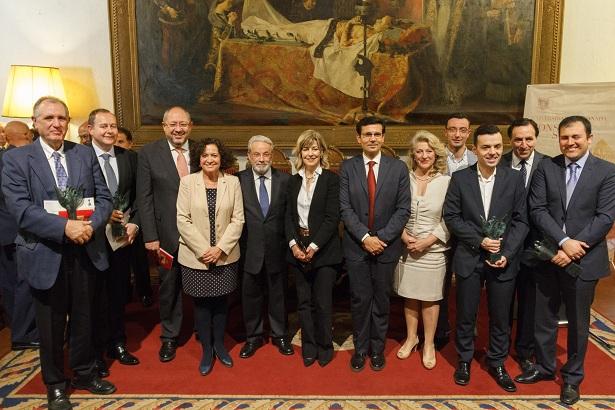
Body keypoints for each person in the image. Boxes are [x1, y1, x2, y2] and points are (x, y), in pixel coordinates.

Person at [1, 96, 115, 410]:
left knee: (84, 318)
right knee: (50, 325)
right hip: (44, 253)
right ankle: (55, 384)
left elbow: (104, 197)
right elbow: (20, 209)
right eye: (49, 118)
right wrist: (64, 228)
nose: (56, 124)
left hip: (85, 250)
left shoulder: (83, 154)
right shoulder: (16, 160)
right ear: (35, 122)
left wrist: (91, 225)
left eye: (62, 118)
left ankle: (84, 373)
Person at [520, 116, 615, 405]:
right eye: (564, 137)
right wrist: (562, 243)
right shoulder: (546, 167)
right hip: (548, 255)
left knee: (577, 321)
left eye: (575, 137)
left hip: (584, 260)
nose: (570, 143)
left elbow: (605, 216)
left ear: (588, 137)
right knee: (543, 316)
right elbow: (536, 209)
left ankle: (573, 378)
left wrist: (575, 246)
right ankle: (546, 367)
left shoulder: (607, 172)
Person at [443, 124, 528, 393]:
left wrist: (506, 252)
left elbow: (521, 220)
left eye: (496, 147)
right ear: (474, 149)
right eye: (485, 147)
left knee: (501, 316)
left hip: (503, 259)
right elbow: (452, 216)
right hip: (470, 256)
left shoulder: (514, 179)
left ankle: (497, 362)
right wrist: (478, 240)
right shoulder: (460, 178)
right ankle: (465, 360)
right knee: (466, 314)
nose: (492, 152)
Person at [340, 116, 411, 372]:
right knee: (360, 299)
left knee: (381, 299)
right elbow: (345, 208)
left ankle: (377, 350)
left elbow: (403, 209)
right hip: (356, 246)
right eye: (367, 134)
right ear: (358, 138)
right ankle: (360, 350)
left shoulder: (398, 168)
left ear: (383, 137)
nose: (372, 139)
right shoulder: (348, 168)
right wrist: (365, 238)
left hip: (387, 246)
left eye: (377, 134)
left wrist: (381, 238)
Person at [177, 138, 244, 375]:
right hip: (196, 257)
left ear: (221, 157)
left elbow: (238, 219)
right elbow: (182, 219)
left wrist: (220, 249)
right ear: (199, 158)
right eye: (205, 156)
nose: (209, 159)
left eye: (214, 155)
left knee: (221, 303)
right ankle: (206, 349)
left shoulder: (233, 182)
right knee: (202, 306)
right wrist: (203, 250)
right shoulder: (187, 182)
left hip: (224, 256)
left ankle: (220, 346)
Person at [136, 106, 198, 362]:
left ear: (190, 125)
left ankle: (203, 332)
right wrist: (150, 235)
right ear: (164, 127)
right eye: (172, 124)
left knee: (202, 286)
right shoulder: (149, 153)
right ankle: (170, 337)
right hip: (166, 236)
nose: (178, 129)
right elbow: (145, 197)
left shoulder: (202, 150)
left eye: (183, 124)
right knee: (168, 288)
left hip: (200, 235)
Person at [87, 109, 141, 377]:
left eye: (113, 126)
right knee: (94, 298)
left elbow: (140, 197)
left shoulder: (129, 158)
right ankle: (95, 353)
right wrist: (100, 214)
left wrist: (135, 223)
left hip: (121, 238)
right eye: (103, 126)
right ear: (90, 129)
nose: (109, 131)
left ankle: (117, 344)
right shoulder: (79, 157)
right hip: (92, 241)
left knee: (118, 293)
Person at [394, 130, 450, 370]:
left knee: (429, 298)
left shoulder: (447, 181)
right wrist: (404, 236)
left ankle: (428, 343)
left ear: (435, 153)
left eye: (429, 151)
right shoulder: (403, 178)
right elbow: (393, 210)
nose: (424, 155)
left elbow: (451, 218)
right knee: (410, 295)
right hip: (406, 246)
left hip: (434, 249)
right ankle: (411, 338)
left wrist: (428, 241)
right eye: (419, 151)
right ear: (413, 155)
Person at [285, 130, 341, 367]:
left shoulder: (330, 179)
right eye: (306, 149)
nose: (310, 153)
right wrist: (294, 245)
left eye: (315, 148)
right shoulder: (292, 180)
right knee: (304, 302)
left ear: (322, 152)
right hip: (298, 249)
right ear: (300, 152)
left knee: (322, 302)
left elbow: (332, 217)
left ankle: (324, 346)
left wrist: (314, 246)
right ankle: (309, 346)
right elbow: (287, 217)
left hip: (325, 251)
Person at [237, 135, 293, 358]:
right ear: (249, 156)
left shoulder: (286, 180)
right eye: (257, 154)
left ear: (273, 155)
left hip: (277, 249)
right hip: (248, 248)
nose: (261, 159)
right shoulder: (237, 180)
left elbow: (290, 216)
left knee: (278, 295)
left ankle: (279, 335)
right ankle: (253, 337)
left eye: (266, 154)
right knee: (250, 296)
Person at [500, 117, 548, 372]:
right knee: (502, 300)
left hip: (535, 247)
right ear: (511, 140)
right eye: (518, 139)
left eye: (528, 138)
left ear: (536, 139)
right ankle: (499, 347)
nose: (523, 144)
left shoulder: (549, 164)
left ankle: (525, 351)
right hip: (505, 245)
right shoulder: (500, 162)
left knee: (529, 301)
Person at [435, 113, 477, 350]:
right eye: (452, 129)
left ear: (469, 133)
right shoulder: (436, 159)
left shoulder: (476, 159)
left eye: (462, 129)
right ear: (446, 132)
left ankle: (467, 328)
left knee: (467, 286)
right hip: (439, 230)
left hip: (467, 232)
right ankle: (441, 328)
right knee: (440, 283)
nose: (457, 134)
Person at [0, 121, 38, 351]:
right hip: (18, 231)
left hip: (4, 232)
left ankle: (19, 329)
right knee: (24, 284)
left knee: (9, 284)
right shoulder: (19, 159)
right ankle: (24, 334)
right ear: (27, 134)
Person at [114, 126, 153, 307]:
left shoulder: (136, 160)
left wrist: (134, 219)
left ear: (131, 144)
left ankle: (144, 292)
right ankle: (124, 293)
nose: (117, 144)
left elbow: (142, 192)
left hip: (134, 216)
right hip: (112, 221)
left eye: (121, 141)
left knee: (138, 260)